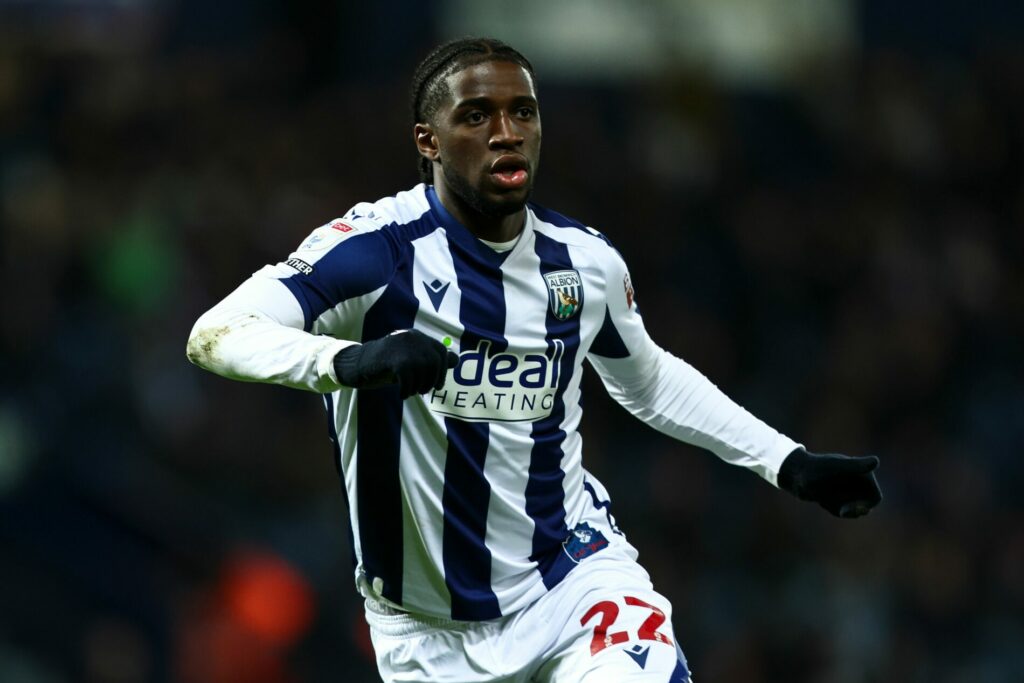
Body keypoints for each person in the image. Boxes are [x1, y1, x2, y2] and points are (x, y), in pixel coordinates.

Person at [187, 37, 881, 683]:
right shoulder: (375, 250)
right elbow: (216, 332)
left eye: (523, 111)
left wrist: (786, 461)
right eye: (477, 115)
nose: (507, 132)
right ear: (428, 141)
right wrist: (351, 361)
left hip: (569, 581)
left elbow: (649, 380)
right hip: (424, 631)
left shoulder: (584, 263)